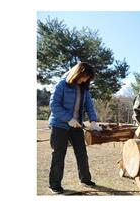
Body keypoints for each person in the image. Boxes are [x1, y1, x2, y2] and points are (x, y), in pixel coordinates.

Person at [47, 62, 103, 194]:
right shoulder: (61, 85)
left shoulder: (84, 88)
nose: (85, 80)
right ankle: (54, 185)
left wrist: (93, 121)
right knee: (58, 155)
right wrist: (68, 119)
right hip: (59, 125)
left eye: (88, 78)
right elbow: (54, 106)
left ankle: (85, 179)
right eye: (84, 77)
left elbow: (89, 105)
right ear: (77, 73)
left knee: (82, 154)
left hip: (77, 125)